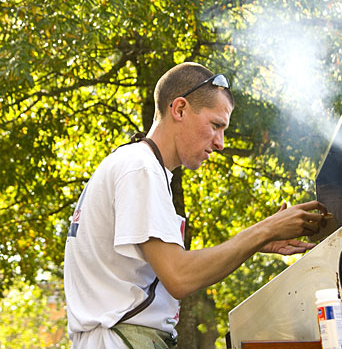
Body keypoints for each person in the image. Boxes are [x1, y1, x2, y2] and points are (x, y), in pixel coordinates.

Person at [64, 62, 327, 348]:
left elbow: (174, 268)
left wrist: (256, 241)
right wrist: (263, 231)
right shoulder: (140, 168)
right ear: (179, 109)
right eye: (215, 125)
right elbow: (179, 276)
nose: (221, 143)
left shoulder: (134, 164)